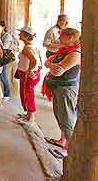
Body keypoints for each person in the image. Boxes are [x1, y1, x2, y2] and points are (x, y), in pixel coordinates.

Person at [44, 28, 81, 159]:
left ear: (70, 38)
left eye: (62, 36)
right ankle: (62, 140)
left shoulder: (75, 54)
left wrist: (51, 64)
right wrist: (51, 64)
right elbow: (47, 62)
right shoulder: (63, 51)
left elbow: (57, 72)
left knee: (67, 118)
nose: (59, 39)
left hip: (67, 89)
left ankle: (69, 149)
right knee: (59, 114)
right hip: (59, 87)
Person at [16, 26, 42, 122]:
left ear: (26, 36)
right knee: (27, 93)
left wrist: (29, 70)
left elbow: (34, 61)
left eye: (21, 33)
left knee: (28, 93)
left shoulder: (27, 48)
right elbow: (39, 62)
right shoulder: (33, 46)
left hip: (28, 74)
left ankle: (31, 115)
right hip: (30, 73)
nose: (19, 35)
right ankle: (28, 114)